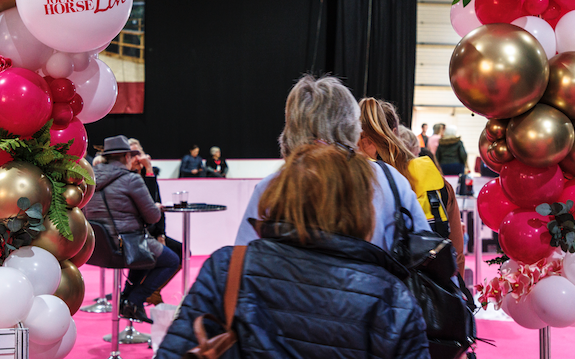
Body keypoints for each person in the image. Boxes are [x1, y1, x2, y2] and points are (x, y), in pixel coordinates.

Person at [157, 143, 430, 358]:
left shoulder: (228, 268)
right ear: (362, 207)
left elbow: (176, 351)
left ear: (281, 194)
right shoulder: (392, 298)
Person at [235, 75, 429, 251]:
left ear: (292, 128)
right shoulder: (389, 181)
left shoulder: (272, 187)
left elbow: (243, 263)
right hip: (375, 287)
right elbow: (427, 251)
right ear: (353, 125)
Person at [361, 100, 465, 275]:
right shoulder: (437, 182)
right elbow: (456, 254)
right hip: (428, 292)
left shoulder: (353, 182)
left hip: (374, 290)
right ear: (396, 133)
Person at [85, 135, 180, 323]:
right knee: (172, 260)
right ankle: (134, 301)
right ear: (127, 157)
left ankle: (125, 299)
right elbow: (153, 217)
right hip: (127, 244)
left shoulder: (91, 179)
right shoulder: (131, 179)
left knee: (147, 257)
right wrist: (155, 208)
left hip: (99, 248)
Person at [128, 137, 183, 304]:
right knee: (153, 257)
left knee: (182, 251)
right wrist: (149, 170)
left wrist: (161, 234)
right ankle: (138, 293)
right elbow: (149, 206)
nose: (138, 158)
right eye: (133, 154)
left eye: (140, 153)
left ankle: (154, 290)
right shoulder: (127, 178)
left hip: (151, 231)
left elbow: (158, 209)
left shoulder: (148, 177)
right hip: (135, 234)